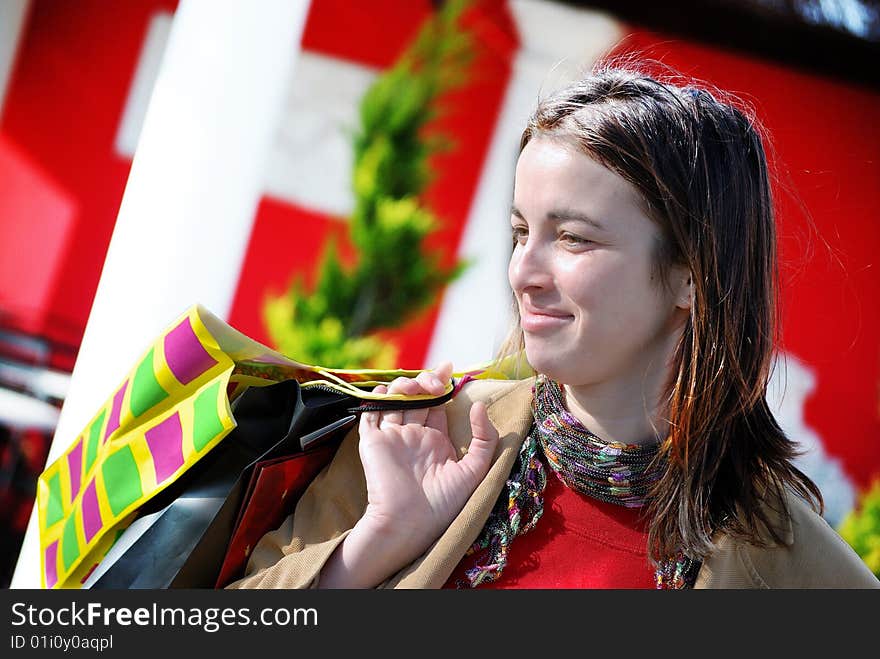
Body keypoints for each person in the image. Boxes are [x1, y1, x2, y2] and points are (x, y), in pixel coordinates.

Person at [226, 63, 880, 589]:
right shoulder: (417, 439)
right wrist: (374, 545)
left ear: (693, 275)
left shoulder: (796, 571)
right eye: (520, 232)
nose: (523, 272)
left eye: (572, 238)